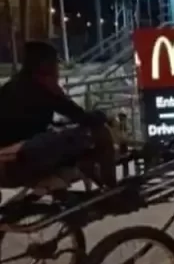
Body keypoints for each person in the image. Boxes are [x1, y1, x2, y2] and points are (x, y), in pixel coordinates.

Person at [0, 41, 118, 188]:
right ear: (44, 65)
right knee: (100, 132)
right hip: (24, 156)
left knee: (68, 135)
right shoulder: (44, 88)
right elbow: (80, 116)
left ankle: (88, 171)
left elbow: (27, 123)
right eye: (55, 63)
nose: (58, 69)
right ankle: (112, 187)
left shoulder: (12, 86)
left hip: (11, 156)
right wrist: (103, 116)